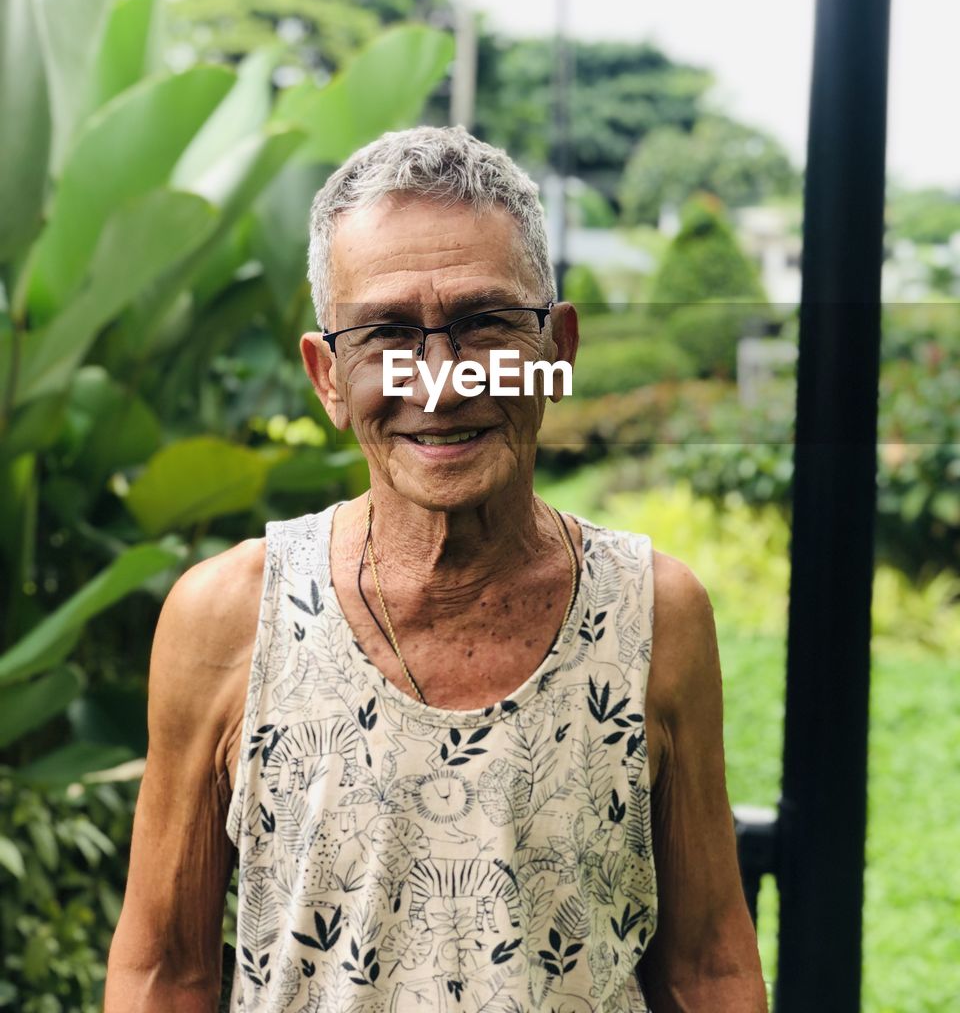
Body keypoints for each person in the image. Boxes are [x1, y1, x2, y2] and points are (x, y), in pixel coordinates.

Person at [104, 125, 768, 1012]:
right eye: (384, 334)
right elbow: (163, 970)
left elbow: (708, 965)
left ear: (555, 355)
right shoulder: (229, 617)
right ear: (328, 376)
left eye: (484, 323)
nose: (442, 381)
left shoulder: (655, 614)